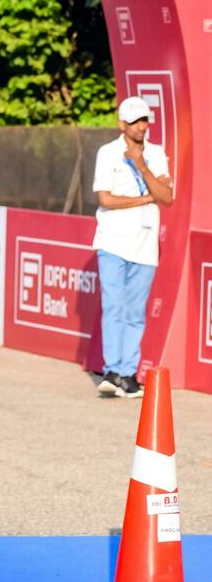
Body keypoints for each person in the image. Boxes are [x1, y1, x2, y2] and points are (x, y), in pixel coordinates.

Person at [93, 96, 173, 398]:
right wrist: (145, 198)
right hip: (112, 240)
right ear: (121, 124)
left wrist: (142, 167)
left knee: (135, 311)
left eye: (144, 120)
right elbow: (105, 199)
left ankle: (129, 374)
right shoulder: (108, 153)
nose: (141, 126)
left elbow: (167, 196)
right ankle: (112, 370)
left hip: (145, 244)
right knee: (114, 304)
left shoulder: (156, 153)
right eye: (135, 121)